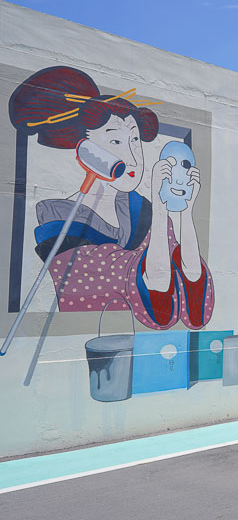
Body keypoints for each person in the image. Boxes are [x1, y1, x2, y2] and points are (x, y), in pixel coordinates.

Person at [9, 66, 213, 329]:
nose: (132, 156)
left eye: (135, 139)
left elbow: (191, 287)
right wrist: (161, 212)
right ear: (85, 151)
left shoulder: (144, 212)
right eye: (116, 142)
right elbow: (158, 288)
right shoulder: (59, 221)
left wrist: (184, 212)